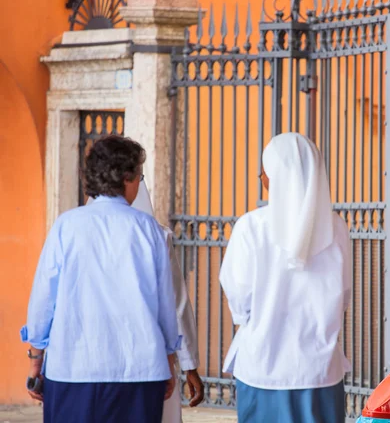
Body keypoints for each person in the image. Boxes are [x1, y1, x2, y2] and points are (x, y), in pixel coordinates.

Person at [21, 135, 181, 423]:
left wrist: (36, 358)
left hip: (73, 368)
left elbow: (44, 299)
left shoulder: (66, 226)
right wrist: (169, 360)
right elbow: (165, 305)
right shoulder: (149, 230)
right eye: (140, 177)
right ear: (127, 176)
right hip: (140, 369)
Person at [220, 132, 352, 423]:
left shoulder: (250, 227)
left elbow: (239, 302)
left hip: (262, 369)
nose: (261, 177)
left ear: (277, 174)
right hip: (319, 372)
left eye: (264, 170)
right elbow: (343, 295)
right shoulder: (337, 228)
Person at [87, 179, 205, 422]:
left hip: (91, 358)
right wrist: (189, 364)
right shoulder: (155, 235)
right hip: (149, 360)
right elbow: (176, 304)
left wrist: (39, 357)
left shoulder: (74, 230)